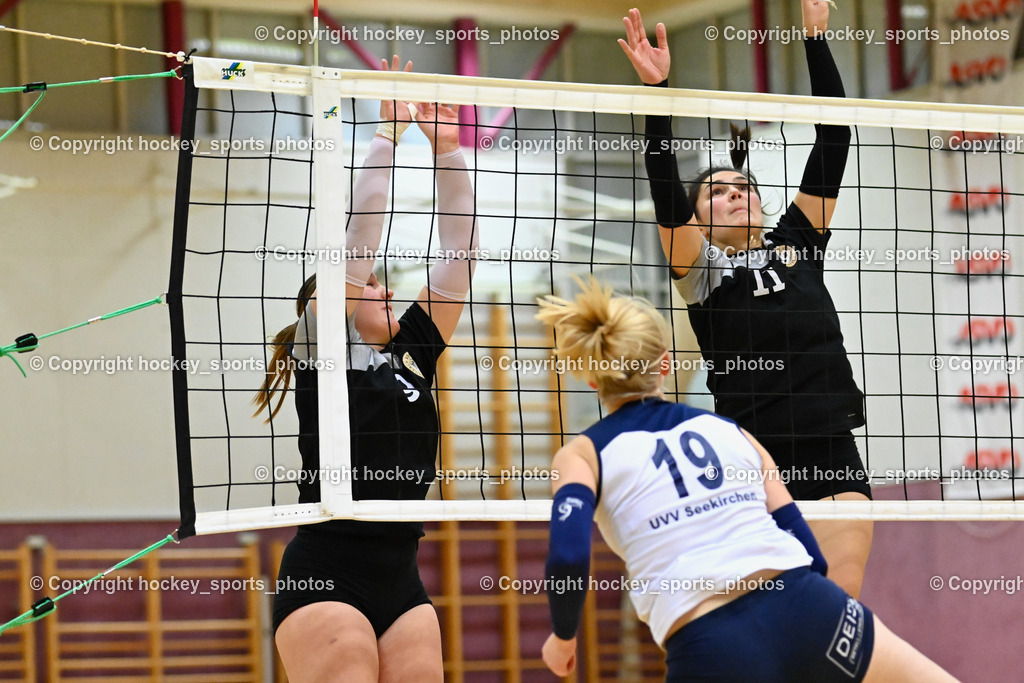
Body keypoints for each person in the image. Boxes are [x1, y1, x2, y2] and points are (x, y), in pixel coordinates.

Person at [535, 277, 957, 682]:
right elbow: (796, 531)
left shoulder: (581, 455)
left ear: (592, 378)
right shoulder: (732, 432)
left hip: (711, 644)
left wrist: (563, 637)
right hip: (809, 606)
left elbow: (569, 557)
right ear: (665, 363)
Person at [618, 3, 872, 598]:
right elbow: (662, 187)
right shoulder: (701, 272)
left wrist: (814, 39)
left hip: (832, 450)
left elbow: (835, 138)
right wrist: (659, 97)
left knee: (840, 607)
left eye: (743, 188)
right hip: (752, 465)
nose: (736, 196)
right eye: (718, 193)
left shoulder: (799, 242)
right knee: (772, 619)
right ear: (699, 220)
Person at [252, 56, 478, 683]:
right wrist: (385, 137)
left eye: (381, 284)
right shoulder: (326, 353)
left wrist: (447, 151)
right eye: (370, 285)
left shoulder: (413, 351)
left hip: (402, 574)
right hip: (328, 567)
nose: (383, 289)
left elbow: (461, 250)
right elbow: (356, 246)